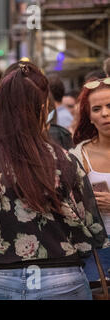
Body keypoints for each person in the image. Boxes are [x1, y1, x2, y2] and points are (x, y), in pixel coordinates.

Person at [0, 63, 107, 300]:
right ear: (43, 108)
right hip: (63, 276)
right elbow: (92, 227)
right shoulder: (65, 159)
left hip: (6, 277)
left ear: (1, 106)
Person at [70, 77, 110, 281]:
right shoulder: (77, 156)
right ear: (89, 116)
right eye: (97, 109)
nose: (105, 113)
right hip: (95, 251)